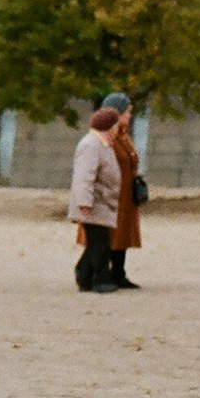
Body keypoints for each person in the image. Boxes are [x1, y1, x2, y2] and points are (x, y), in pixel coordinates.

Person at [69, 106, 124, 292]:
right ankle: (100, 279)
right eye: (116, 124)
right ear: (109, 125)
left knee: (97, 242)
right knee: (99, 243)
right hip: (94, 203)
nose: (118, 128)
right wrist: (84, 202)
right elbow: (84, 175)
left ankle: (84, 275)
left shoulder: (103, 144)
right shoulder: (91, 144)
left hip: (102, 202)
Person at [100, 91, 142, 289]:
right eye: (127, 112)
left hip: (126, 194)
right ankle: (102, 273)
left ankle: (119, 272)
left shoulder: (124, 136)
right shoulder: (106, 137)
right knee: (108, 234)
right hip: (111, 193)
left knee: (122, 233)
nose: (130, 116)